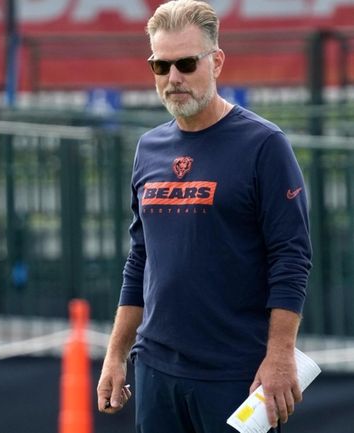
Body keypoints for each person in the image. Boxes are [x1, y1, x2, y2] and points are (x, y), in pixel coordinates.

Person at [96, 1, 312, 432]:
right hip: (156, 369)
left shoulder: (264, 145)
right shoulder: (148, 148)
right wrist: (116, 353)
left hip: (234, 375)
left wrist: (280, 355)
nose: (174, 78)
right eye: (161, 66)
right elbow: (140, 259)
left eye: (187, 63)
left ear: (216, 63)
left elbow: (292, 257)